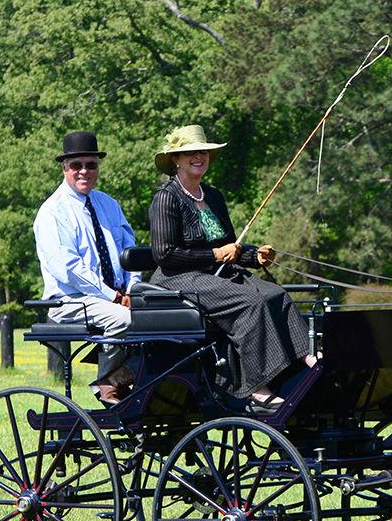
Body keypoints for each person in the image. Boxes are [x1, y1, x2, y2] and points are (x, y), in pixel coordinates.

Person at [147, 125, 311, 411]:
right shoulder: (166, 198)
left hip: (215, 274)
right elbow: (165, 255)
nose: (199, 157)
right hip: (177, 278)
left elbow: (230, 247)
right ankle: (257, 388)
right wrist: (215, 254)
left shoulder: (213, 196)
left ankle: (306, 359)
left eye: (204, 152)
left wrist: (253, 257)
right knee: (250, 302)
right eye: (190, 153)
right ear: (176, 160)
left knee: (275, 293)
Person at [33, 130, 140, 404]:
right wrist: (114, 297)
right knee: (126, 319)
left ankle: (136, 383)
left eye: (91, 165)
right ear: (64, 168)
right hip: (69, 301)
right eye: (76, 165)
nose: (84, 171)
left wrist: (132, 289)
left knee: (173, 320)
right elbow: (68, 269)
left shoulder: (109, 204)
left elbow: (131, 253)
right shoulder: (52, 212)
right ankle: (107, 382)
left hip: (116, 296)